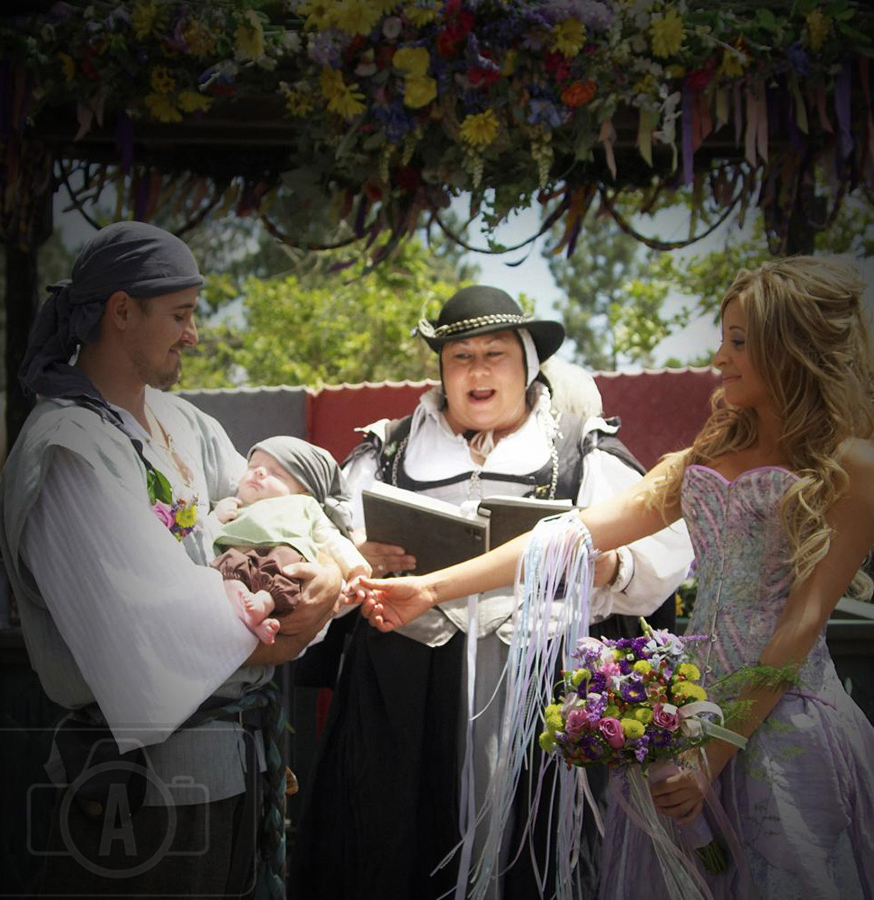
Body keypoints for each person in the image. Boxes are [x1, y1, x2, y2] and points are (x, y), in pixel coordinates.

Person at [358, 257, 874, 898]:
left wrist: (711, 756)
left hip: (778, 720)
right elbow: (568, 535)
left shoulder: (854, 466)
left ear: (790, 345)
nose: (719, 358)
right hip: (686, 710)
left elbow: (800, 628)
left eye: (739, 341)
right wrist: (431, 589)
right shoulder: (708, 454)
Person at [290, 286, 693, 900]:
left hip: (540, 685)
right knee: (394, 849)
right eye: (461, 357)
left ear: (527, 365)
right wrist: (356, 555)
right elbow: (317, 547)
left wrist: (612, 567)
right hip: (405, 688)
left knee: (536, 854)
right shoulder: (388, 449)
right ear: (442, 370)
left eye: (494, 354)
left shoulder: (579, 448)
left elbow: (662, 553)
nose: (477, 372)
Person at [0, 221, 343, 897]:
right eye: (180, 315)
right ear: (121, 311)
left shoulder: (184, 423)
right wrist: (310, 610)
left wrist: (326, 572)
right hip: (143, 786)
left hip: (233, 765)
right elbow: (162, 632)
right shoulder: (67, 449)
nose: (194, 335)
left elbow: (285, 518)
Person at [209, 434, 371, 643]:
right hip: (237, 564)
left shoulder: (304, 506)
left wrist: (356, 570)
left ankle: (265, 603)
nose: (259, 472)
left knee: (286, 563)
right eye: (252, 466)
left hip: (278, 565)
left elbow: (334, 541)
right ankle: (249, 614)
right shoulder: (235, 505)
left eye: (277, 473)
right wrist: (216, 516)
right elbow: (205, 532)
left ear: (304, 492)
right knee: (228, 563)